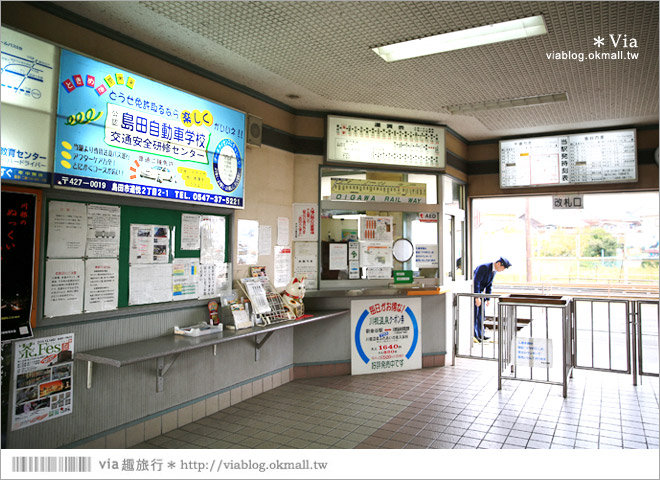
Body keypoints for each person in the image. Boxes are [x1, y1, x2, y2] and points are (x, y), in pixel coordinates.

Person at [473, 257, 512, 342]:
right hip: (476, 293)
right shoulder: (483, 267)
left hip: (481, 295)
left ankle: (481, 334)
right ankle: (475, 335)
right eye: (503, 268)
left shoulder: (494, 271)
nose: (503, 270)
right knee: (475, 314)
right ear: (499, 264)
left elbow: (489, 285)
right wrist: (477, 297)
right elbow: (476, 282)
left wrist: (488, 298)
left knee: (481, 315)